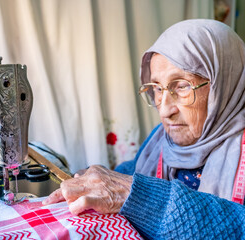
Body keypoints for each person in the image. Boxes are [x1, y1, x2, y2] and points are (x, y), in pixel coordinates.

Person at [43, 19, 245, 239]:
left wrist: (138, 195)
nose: (165, 110)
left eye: (182, 85)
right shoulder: (160, 140)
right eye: (157, 88)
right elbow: (133, 171)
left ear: (226, 85)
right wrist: (98, 180)